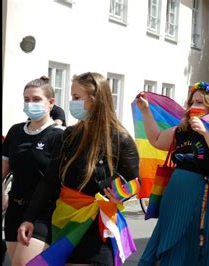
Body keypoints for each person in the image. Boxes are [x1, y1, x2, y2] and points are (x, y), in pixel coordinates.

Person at [17, 72, 140, 265]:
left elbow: (134, 182)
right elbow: (50, 180)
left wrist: (121, 194)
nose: (71, 102)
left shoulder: (120, 138)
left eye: (76, 97)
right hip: (66, 220)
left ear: (94, 100)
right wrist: (29, 218)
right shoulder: (69, 135)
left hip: (98, 223)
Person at [136, 82, 209, 265]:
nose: (195, 107)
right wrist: (145, 111)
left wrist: (206, 132)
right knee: (174, 244)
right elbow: (157, 140)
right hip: (177, 199)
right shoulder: (181, 129)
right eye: (193, 102)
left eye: (200, 103)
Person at [2, 76, 64, 265]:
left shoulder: (59, 135)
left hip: (44, 211)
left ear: (50, 103)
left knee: (23, 263)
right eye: (26, 99)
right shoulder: (16, 131)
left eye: (36, 99)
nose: (30, 104)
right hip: (15, 208)